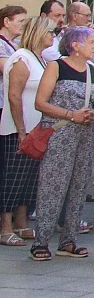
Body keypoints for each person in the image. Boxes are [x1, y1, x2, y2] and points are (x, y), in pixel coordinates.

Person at [30, 25, 94, 260]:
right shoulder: (56, 67)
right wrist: (70, 114)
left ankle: (69, 239)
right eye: (91, 42)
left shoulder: (93, 71)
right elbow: (40, 102)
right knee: (53, 186)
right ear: (75, 45)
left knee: (79, 185)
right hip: (60, 134)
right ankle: (41, 240)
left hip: (86, 135)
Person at [0, 16, 51, 245]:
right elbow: (14, 94)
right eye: (49, 32)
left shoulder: (39, 58)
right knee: (13, 177)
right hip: (18, 129)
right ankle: (5, 227)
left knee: (29, 178)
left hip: (36, 129)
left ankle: (21, 223)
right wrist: (21, 129)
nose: (52, 36)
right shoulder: (21, 58)